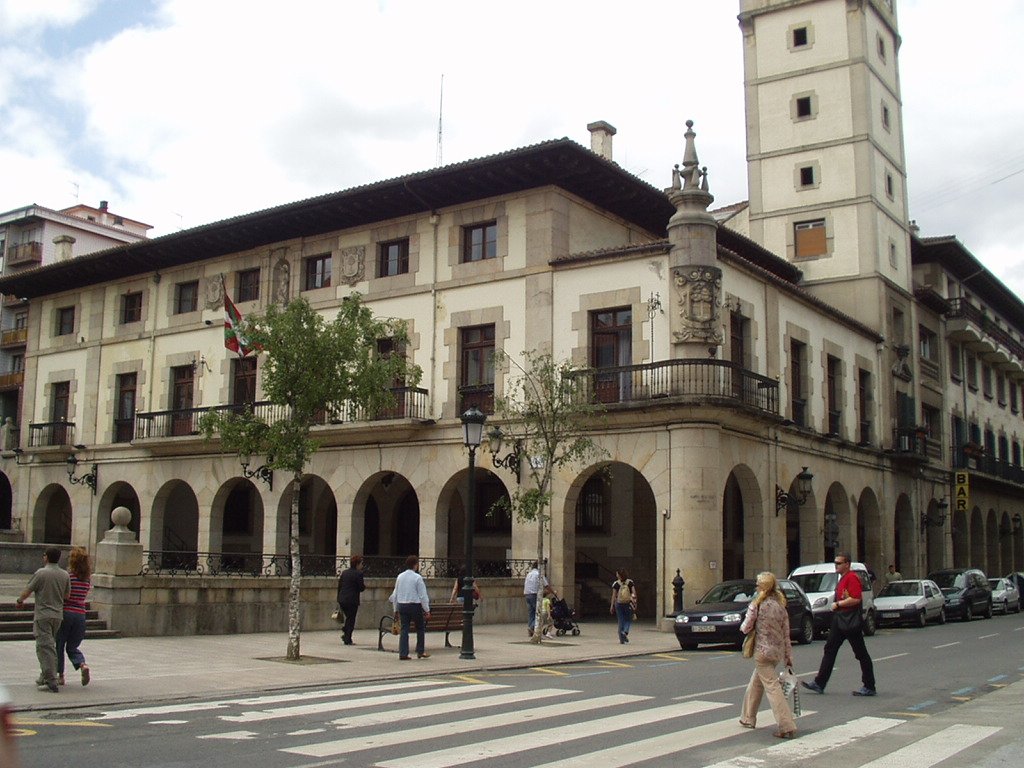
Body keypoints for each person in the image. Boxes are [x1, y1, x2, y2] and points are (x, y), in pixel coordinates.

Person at [802, 552, 876, 697]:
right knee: (830, 649)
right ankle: (819, 683)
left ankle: (869, 685)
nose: (836, 565)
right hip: (840, 619)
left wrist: (838, 603)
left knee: (861, 653)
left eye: (838, 563)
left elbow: (855, 599)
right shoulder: (842, 578)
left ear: (847, 564)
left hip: (850, 619)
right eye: (835, 563)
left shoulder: (852, 577)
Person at [738, 572, 797, 739]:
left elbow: (746, 627)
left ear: (762, 587)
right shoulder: (780, 606)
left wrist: (743, 627)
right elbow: (786, 634)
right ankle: (748, 717)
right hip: (776, 652)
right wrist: (788, 656)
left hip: (762, 652)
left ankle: (786, 725)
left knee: (772, 686)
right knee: (757, 681)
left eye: (758, 584)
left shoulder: (757, 604)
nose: (756, 587)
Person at [16, 547, 70, 693]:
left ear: (46, 557)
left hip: (43, 615)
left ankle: (51, 680)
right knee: (49, 645)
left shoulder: (41, 573)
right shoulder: (65, 574)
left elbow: (28, 590)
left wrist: (20, 600)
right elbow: (67, 596)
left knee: (44, 648)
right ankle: (44, 675)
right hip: (57, 615)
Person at [56, 546, 92, 686]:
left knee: (59, 645)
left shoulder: (68, 576)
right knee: (72, 647)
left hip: (67, 612)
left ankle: (60, 675)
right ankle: (82, 664)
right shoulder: (87, 579)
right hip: (81, 614)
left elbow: (65, 595)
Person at [389, 555, 431, 660]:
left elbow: (395, 594)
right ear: (415, 565)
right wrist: (427, 610)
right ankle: (420, 651)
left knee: (404, 629)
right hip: (414, 605)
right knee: (420, 628)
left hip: (402, 605)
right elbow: (422, 595)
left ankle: (403, 653)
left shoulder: (400, 576)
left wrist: (395, 609)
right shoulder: (417, 577)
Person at [336, 554, 366, 646]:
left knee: (348, 618)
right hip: (352, 600)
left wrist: (338, 598)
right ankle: (347, 637)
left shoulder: (345, 573)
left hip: (342, 598)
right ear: (357, 564)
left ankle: (346, 632)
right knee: (351, 619)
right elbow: (361, 587)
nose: (362, 565)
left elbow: (340, 586)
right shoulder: (359, 574)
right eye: (361, 563)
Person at [610, 569, 637, 644]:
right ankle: (625, 631)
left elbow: (614, 595)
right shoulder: (630, 582)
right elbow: (634, 593)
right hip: (628, 603)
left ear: (619, 575)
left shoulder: (616, 584)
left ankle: (621, 637)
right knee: (628, 619)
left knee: (621, 619)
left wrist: (612, 605)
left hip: (619, 603)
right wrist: (635, 602)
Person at [523, 561, 548, 638]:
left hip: (527, 594)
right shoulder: (539, 574)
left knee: (531, 613)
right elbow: (546, 585)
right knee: (539, 613)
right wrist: (553, 592)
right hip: (534, 595)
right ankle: (532, 627)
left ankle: (530, 628)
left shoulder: (529, 574)